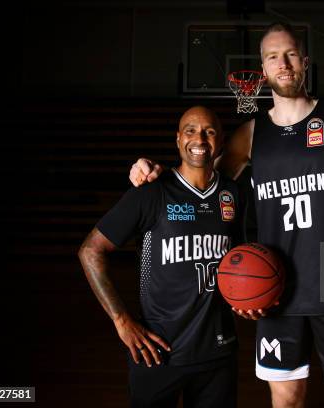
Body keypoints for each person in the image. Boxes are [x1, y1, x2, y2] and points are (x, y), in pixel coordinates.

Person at [130, 22, 324, 408]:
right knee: (286, 404)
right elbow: (199, 182)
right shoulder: (250, 133)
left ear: (305, 62)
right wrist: (152, 171)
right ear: (262, 71)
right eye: (272, 57)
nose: (283, 63)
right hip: (277, 295)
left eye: (291, 54)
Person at [78, 106, 242, 407]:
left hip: (218, 353)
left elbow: (244, 263)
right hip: (158, 352)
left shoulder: (232, 194)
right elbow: (91, 250)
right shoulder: (152, 192)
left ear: (219, 142)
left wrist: (249, 300)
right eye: (190, 130)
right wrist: (121, 320)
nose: (200, 138)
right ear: (178, 139)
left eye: (209, 131)